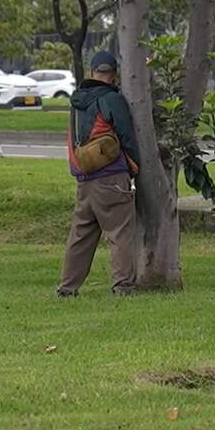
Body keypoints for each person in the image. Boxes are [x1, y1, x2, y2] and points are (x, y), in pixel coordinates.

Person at [58, 51, 140, 297]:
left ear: (92, 72)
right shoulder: (112, 99)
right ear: (114, 75)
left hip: (84, 179)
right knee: (120, 232)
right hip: (112, 176)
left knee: (80, 236)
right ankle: (122, 286)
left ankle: (67, 288)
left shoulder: (76, 102)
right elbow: (127, 136)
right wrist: (135, 167)